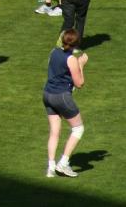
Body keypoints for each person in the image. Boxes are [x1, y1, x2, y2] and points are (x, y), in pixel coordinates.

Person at [43, 29, 88, 178]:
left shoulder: (54, 52)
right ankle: (63, 163)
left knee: (54, 131)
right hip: (61, 96)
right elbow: (79, 83)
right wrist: (81, 64)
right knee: (78, 129)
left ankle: (50, 168)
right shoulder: (71, 59)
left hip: (47, 94)